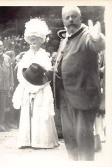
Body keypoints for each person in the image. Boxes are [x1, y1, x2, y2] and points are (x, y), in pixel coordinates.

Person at [53, 6, 105, 160]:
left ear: (80, 18)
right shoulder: (65, 39)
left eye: (74, 16)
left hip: (82, 97)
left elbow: (98, 44)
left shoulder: (86, 35)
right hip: (65, 96)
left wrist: (97, 37)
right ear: (63, 21)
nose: (70, 20)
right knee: (70, 139)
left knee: (84, 139)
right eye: (67, 17)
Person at [13, 18, 59, 149]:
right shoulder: (25, 56)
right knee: (27, 113)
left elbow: (47, 75)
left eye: (35, 41)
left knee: (40, 113)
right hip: (27, 88)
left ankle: (41, 141)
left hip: (40, 89)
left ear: (40, 41)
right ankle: (27, 141)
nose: (32, 44)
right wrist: (27, 86)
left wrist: (36, 87)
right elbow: (20, 73)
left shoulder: (44, 55)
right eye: (31, 41)